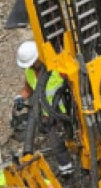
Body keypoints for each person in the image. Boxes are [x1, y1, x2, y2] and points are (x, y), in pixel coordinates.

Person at [14, 40, 74, 176]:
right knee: (56, 143)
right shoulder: (29, 72)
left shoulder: (54, 66)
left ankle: (86, 164)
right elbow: (28, 90)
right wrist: (19, 98)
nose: (31, 66)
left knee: (76, 137)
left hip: (66, 111)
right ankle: (67, 171)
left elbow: (71, 83)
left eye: (32, 63)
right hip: (49, 115)